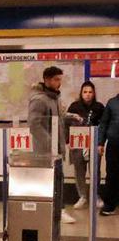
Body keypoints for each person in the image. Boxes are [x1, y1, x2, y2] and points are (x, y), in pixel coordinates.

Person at [28, 66, 75, 223]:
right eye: (56, 79)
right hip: (46, 151)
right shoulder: (39, 100)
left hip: (56, 149)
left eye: (60, 79)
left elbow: (58, 117)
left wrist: (71, 116)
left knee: (58, 179)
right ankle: (55, 210)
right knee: (48, 180)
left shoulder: (54, 98)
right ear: (47, 80)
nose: (59, 83)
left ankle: (58, 209)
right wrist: (51, 144)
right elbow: (34, 125)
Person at [67, 81, 105, 209]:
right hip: (77, 143)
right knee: (79, 171)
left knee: (95, 171)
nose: (87, 95)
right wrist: (68, 141)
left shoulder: (99, 107)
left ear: (94, 94)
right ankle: (82, 196)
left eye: (90, 92)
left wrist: (100, 143)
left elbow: (103, 126)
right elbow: (67, 124)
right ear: (81, 93)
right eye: (85, 92)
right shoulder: (74, 107)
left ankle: (96, 196)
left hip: (93, 143)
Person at [100, 91, 119, 216]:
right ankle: (110, 205)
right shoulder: (112, 103)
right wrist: (100, 143)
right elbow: (104, 124)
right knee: (112, 174)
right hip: (114, 145)